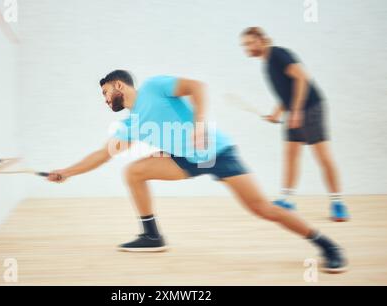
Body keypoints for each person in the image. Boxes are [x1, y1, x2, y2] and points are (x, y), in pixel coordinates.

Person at [47, 70, 347, 273]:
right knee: (134, 171)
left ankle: (325, 244)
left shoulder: (154, 86)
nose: (105, 99)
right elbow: (103, 154)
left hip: (217, 153)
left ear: (119, 86)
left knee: (262, 208)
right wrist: (68, 172)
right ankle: (152, 236)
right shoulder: (130, 124)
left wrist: (200, 124)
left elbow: (197, 87)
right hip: (186, 160)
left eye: (105, 92)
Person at [241, 27, 349, 222]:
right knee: (291, 154)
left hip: (311, 107)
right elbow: (288, 91)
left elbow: (302, 77)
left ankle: (338, 203)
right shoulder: (267, 63)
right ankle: (287, 200)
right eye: (244, 45)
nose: (246, 48)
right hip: (296, 110)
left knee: (322, 156)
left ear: (261, 40)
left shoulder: (278, 54)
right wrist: (278, 112)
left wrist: (297, 111)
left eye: (249, 43)